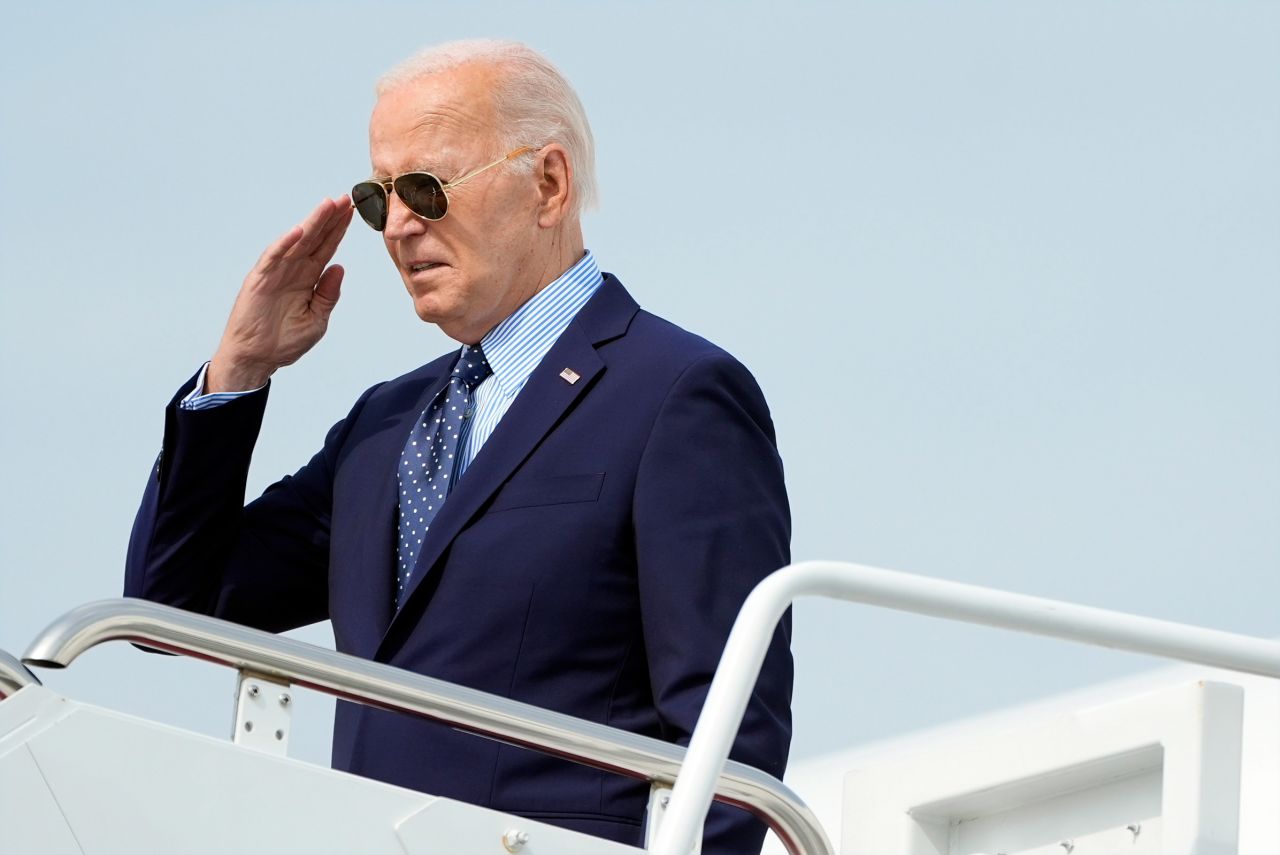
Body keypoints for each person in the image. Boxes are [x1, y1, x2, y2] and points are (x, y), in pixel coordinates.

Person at [125, 39, 792, 854]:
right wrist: (238, 370)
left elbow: (729, 736)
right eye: (379, 199)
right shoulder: (385, 425)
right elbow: (172, 605)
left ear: (548, 184)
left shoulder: (675, 393)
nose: (399, 225)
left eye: (426, 189)